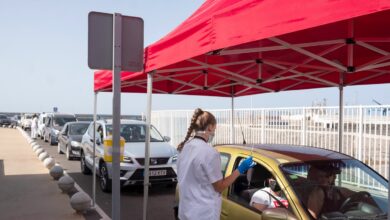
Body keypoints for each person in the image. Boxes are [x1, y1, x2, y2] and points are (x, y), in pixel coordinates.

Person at [177, 108, 255, 220]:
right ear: (209, 127)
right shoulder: (210, 153)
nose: (214, 132)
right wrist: (240, 169)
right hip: (203, 214)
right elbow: (220, 187)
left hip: (185, 212)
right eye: (214, 128)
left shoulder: (185, 147)